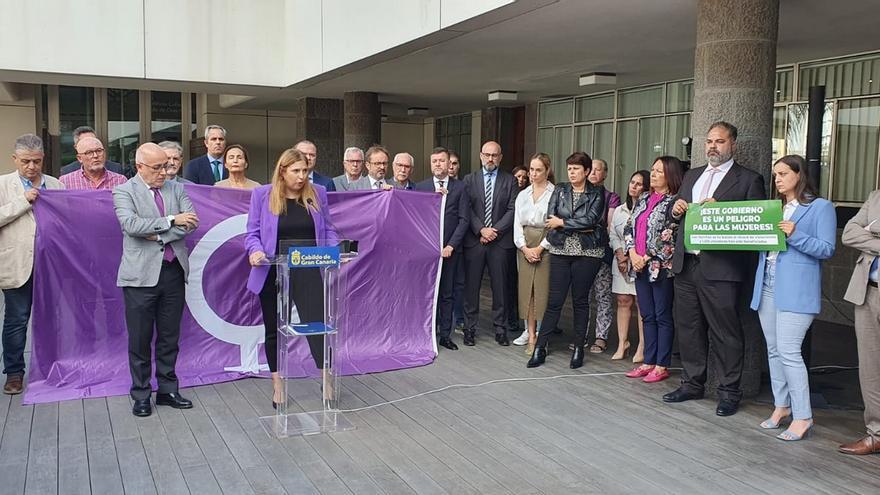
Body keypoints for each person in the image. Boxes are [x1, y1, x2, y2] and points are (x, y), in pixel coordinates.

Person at [664, 121, 765, 417]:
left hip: (722, 268)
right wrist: (676, 209)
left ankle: (729, 391)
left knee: (725, 332)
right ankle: (692, 383)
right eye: (709, 141)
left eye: (719, 142)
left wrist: (720, 210)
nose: (712, 146)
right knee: (689, 328)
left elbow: (754, 225)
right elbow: (675, 214)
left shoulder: (748, 179)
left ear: (732, 144)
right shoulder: (692, 175)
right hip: (687, 265)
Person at [748, 155, 835, 441]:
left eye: (783, 173)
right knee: (773, 350)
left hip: (797, 289)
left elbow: (826, 249)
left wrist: (795, 235)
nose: (778, 179)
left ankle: (803, 416)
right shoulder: (776, 209)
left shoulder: (820, 208)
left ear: (800, 175)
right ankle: (781, 406)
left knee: (788, 351)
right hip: (768, 284)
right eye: (775, 175)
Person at [246, 148, 338, 408]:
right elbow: (251, 232)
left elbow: (328, 229)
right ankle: (277, 385)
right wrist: (254, 251)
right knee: (274, 330)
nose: (301, 177)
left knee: (318, 327)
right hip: (272, 271)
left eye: (305, 171)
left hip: (309, 270)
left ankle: (327, 380)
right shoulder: (262, 195)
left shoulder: (317, 193)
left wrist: (333, 252)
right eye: (296, 171)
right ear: (282, 171)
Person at [112, 142, 199, 417]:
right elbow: (131, 226)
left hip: (173, 272)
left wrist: (159, 234)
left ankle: (167, 389)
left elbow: (192, 223)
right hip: (139, 277)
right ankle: (140, 393)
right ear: (139, 166)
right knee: (139, 338)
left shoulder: (177, 187)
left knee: (169, 336)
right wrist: (172, 219)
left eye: (167, 166)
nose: (164, 172)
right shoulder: (124, 191)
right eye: (158, 167)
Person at [527, 152, 606, 369]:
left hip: (588, 253)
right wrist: (572, 224)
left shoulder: (597, 192)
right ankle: (540, 347)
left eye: (576, 169)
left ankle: (579, 347)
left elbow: (591, 220)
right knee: (554, 302)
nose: (572, 173)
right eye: (569, 168)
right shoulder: (560, 190)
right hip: (561, 250)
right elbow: (550, 219)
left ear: (587, 171)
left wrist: (563, 222)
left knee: (580, 301)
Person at [1, 134, 64, 395]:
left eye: (36, 161)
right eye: (26, 161)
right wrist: (23, 201)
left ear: (43, 160)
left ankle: (54, 368)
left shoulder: (56, 185)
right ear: (15, 159)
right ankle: (14, 373)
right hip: (18, 263)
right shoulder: (3, 185)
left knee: (54, 319)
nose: (31, 167)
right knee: (16, 320)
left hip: (52, 266)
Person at [624, 157, 683, 384]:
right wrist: (632, 253)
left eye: (660, 171)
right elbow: (630, 226)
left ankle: (661, 364)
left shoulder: (674, 202)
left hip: (659, 267)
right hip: (637, 264)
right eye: (653, 170)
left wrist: (647, 256)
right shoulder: (644, 198)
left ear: (670, 174)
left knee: (662, 315)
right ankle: (648, 361)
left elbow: (670, 234)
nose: (654, 174)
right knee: (646, 315)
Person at [461, 141, 519, 346]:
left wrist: (495, 231)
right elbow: (466, 208)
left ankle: (500, 329)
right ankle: (469, 328)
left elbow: (513, 209)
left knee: (500, 288)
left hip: (500, 242)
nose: (490, 159)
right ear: (480, 156)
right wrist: (481, 230)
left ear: (500, 157)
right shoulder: (468, 180)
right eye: (487, 155)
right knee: (472, 287)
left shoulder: (510, 181)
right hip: (475, 242)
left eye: (494, 155)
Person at [415, 147, 470, 350]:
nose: (438, 164)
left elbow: (464, 220)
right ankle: (426, 333)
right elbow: (415, 219)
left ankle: (446, 336)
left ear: (449, 164)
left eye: (441, 161)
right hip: (427, 251)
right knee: (428, 293)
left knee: (447, 293)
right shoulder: (421, 187)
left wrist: (451, 245)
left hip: (449, 251)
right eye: (434, 161)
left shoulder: (460, 188)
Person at [838, 188, 880, 454]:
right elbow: (849, 233)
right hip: (868, 291)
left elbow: (861, 234)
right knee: (870, 368)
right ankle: (876, 433)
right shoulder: (876, 197)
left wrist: (873, 231)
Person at [511, 153, 555, 355]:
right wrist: (524, 248)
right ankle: (530, 334)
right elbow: (517, 225)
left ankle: (543, 335)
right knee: (527, 292)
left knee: (543, 292)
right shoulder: (523, 194)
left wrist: (540, 248)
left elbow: (555, 227)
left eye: (538, 170)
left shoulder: (554, 194)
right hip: (526, 244)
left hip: (545, 244)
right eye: (531, 169)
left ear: (547, 171)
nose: (533, 174)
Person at [609, 170, 649, 361]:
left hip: (640, 260)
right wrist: (619, 254)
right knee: (623, 301)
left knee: (642, 303)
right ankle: (622, 343)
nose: (633, 186)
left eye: (639, 184)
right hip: (620, 261)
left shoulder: (648, 208)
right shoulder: (619, 209)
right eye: (632, 182)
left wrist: (631, 256)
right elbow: (613, 234)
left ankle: (642, 346)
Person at [585, 158, 621, 354]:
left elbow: (609, 225)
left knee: (603, 296)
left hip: (602, 252)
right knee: (582, 296)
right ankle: (581, 335)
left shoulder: (611, 197)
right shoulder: (579, 193)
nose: (594, 173)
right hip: (581, 252)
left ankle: (601, 337)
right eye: (591, 169)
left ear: (605, 174)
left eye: (598, 170)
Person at [60, 136, 127, 190]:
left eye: (99, 151)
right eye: (89, 152)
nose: (95, 156)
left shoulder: (120, 181)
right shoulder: (65, 182)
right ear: (79, 158)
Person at [60, 125, 127, 177]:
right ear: (76, 147)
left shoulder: (116, 169)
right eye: (86, 141)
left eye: (93, 140)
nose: (95, 155)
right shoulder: (67, 172)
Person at [448, 150, 467, 330]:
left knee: (459, 283)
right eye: (449, 163)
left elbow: (465, 217)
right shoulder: (432, 187)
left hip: (460, 243)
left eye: (454, 164)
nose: (451, 167)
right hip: (440, 245)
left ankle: (459, 316)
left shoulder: (463, 186)